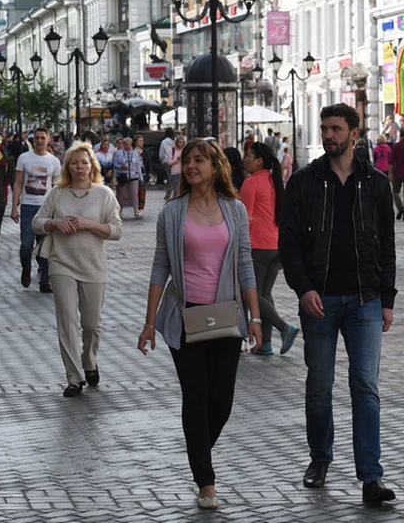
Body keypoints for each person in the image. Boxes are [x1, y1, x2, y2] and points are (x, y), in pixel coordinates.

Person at [279, 103, 397, 504]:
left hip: (366, 299)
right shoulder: (304, 182)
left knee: (365, 386)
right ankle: (320, 458)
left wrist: (387, 299)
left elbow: (387, 245)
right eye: (324, 128)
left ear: (354, 133)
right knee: (319, 385)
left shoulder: (376, 183)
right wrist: (303, 288)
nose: (329, 135)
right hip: (320, 301)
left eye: (335, 129)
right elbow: (289, 243)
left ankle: (371, 478)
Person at [137, 138, 261, 511]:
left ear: (215, 165)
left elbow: (244, 266)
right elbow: (161, 267)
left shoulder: (235, 210)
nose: (191, 166)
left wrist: (255, 318)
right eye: (187, 160)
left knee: (221, 401)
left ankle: (197, 449)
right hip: (184, 318)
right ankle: (205, 481)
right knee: (197, 397)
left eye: (198, 160)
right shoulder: (172, 213)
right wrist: (148, 324)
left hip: (226, 317)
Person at [32, 143, 123, 397]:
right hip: (62, 263)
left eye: (84, 163)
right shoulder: (57, 194)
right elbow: (36, 222)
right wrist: (55, 223)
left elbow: (116, 231)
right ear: (67, 167)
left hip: (93, 266)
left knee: (92, 324)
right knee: (67, 321)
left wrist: (88, 224)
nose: (80, 168)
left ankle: (89, 361)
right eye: (74, 163)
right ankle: (73, 377)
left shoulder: (103, 194)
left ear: (92, 166)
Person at [240, 142, 299, 356]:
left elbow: (244, 220)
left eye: (249, 156)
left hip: (257, 246)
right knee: (264, 293)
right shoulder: (274, 182)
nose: (245, 159)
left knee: (249, 294)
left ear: (259, 161)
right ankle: (265, 344)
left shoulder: (250, 183)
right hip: (275, 245)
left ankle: (284, 328)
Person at [11, 127, 62, 292]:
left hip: (46, 208)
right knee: (27, 244)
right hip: (28, 207)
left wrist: (58, 209)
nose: (39, 141)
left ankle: (45, 280)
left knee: (45, 245)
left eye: (43, 138)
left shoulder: (54, 161)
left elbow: (56, 187)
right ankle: (26, 268)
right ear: (33, 140)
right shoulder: (24, 158)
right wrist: (14, 207)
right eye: (37, 138)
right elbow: (18, 183)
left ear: (48, 140)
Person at [113, 137, 144, 219]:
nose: (127, 146)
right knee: (121, 194)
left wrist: (141, 178)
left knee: (134, 193)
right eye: (126, 144)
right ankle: (120, 209)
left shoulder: (135, 153)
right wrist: (121, 166)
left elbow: (138, 166)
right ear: (123, 145)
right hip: (123, 176)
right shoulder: (118, 153)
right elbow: (115, 164)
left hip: (134, 176)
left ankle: (136, 210)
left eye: (129, 144)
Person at [134, 134, 153, 214]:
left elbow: (149, 162)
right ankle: (135, 206)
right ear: (135, 142)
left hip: (144, 173)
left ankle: (140, 206)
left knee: (142, 190)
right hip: (135, 173)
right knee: (135, 190)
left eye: (142, 141)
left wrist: (150, 172)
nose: (142, 142)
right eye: (140, 141)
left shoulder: (145, 152)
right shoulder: (133, 151)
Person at [166, 135, 185, 201]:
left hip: (183, 172)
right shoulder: (172, 151)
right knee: (176, 190)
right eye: (180, 142)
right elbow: (169, 162)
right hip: (175, 172)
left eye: (182, 143)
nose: (181, 144)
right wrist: (177, 159)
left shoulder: (184, 150)